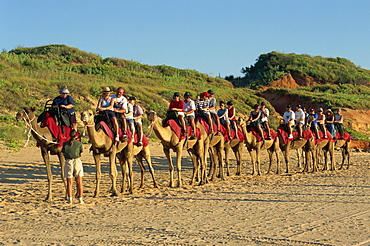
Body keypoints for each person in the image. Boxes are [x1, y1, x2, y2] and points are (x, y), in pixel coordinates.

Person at [61, 129, 84, 204]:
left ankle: (70, 199)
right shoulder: (79, 144)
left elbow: (63, 154)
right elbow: (81, 154)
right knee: (79, 182)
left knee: (69, 183)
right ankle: (80, 199)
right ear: (76, 135)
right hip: (77, 161)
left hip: (68, 162)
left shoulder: (65, 144)